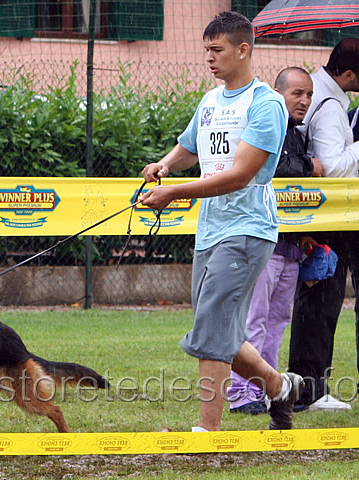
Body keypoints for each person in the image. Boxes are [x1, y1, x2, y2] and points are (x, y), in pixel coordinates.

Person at [139, 11, 302, 432]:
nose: (209, 59)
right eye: (206, 50)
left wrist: (174, 192)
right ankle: (279, 386)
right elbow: (190, 146)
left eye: (217, 50)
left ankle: (206, 432)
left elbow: (241, 174)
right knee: (218, 326)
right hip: (210, 229)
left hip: (248, 230)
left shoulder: (266, 104)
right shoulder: (211, 99)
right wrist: (166, 165)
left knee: (212, 323)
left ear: (242, 49)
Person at [227, 67, 322, 415]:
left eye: (309, 95)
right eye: (297, 93)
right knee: (253, 320)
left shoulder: (296, 133)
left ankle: (272, 391)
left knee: (278, 322)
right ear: (278, 92)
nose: (305, 101)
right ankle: (241, 394)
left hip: (292, 247)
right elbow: (277, 170)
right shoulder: (268, 123)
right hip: (263, 243)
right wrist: (308, 165)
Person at [288, 38, 359, 412]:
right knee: (321, 302)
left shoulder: (319, 96)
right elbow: (331, 166)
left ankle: (306, 385)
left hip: (314, 215)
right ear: (347, 74)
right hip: (328, 215)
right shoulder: (331, 109)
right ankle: (310, 390)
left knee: (314, 300)